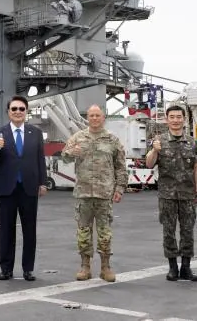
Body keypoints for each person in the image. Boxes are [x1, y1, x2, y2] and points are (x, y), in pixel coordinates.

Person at [60, 104, 125, 283]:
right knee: (83, 231)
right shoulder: (77, 137)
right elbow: (64, 156)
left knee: (105, 232)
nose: (95, 118)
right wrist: (71, 152)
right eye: (91, 115)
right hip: (84, 194)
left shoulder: (113, 140)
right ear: (87, 118)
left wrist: (119, 189)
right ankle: (85, 266)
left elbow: (120, 167)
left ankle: (105, 267)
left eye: (98, 115)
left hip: (105, 194)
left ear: (103, 118)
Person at [0, 95, 47, 281]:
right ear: (8, 112)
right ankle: (6, 269)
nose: (18, 112)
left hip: (29, 188)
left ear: (26, 112)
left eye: (21, 109)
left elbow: (40, 159)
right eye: (14, 109)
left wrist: (43, 182)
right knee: (6, 230)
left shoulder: (35, 132)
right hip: (7, 188)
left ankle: (28, 268)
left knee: (30, 230)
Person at [145, 103, 197, 282]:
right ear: (166, 120)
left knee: (188, 232)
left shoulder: (192, 142)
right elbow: (149, 164)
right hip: (167, 195)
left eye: (179, 117)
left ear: (184, 119)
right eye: (172, 117)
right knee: (168, 232)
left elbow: (196, 168)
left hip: (187, 195)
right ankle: (172, 268)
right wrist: (155, 149)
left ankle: (186, 267)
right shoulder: (159, 141)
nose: (176, 120)